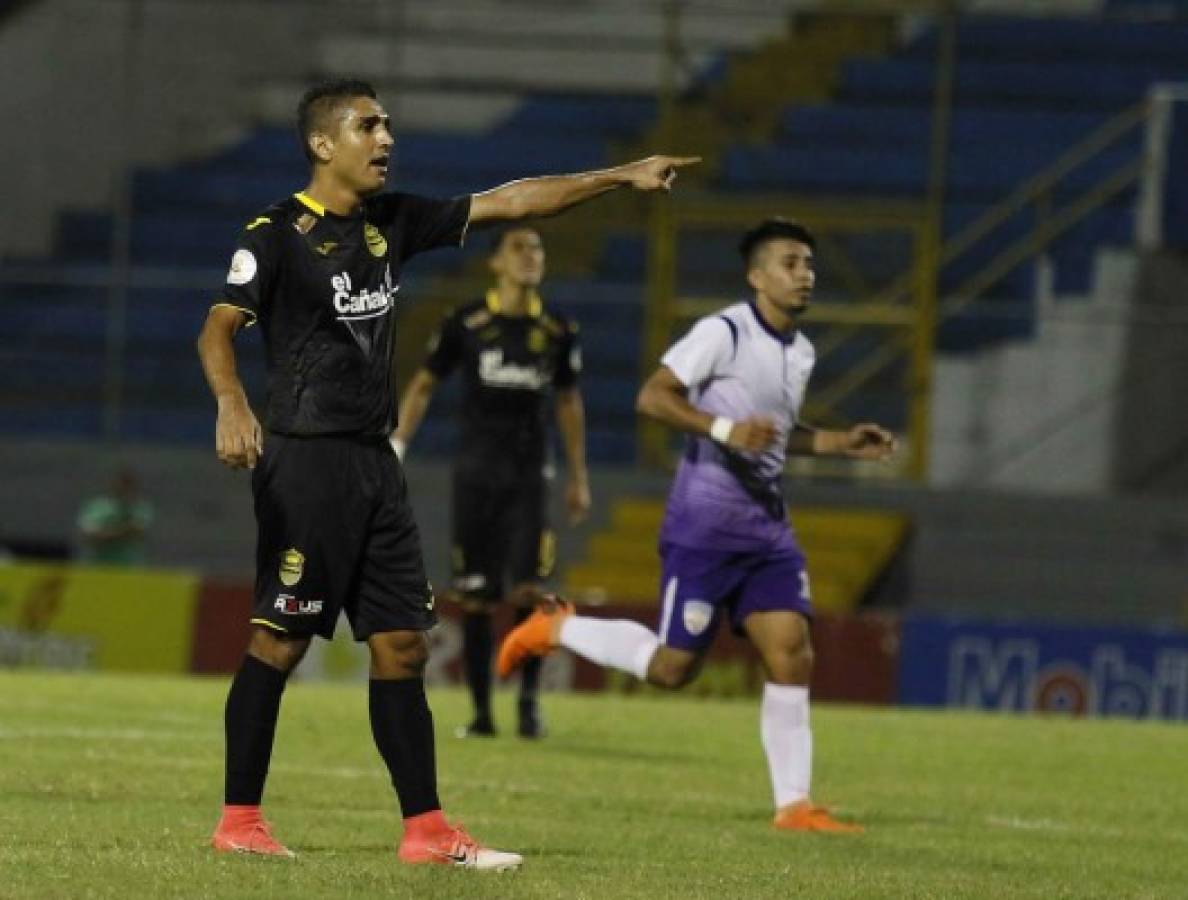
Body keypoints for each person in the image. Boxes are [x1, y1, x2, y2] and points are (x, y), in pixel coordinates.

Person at [195, 77, 696, 869]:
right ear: (324, 144)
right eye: (369, 125)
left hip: (373, 463)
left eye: (389, 123)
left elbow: (513, 202)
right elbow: (217, 330)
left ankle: (425, 832)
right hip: (306, 462)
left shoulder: (395, 221)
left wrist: (619, 175)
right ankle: (239, 819)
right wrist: (230, 404)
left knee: (404, 645)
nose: (387, 137)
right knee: (280, 640)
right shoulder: (276, 233)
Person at [498, 218, 896, 834]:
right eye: (791, 263)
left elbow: (777, 434)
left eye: (810, 264)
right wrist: (722, 430)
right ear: (757, 275)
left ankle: (793, 804)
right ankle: (560, 627)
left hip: (766, 530)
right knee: (671, 670)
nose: (805, 275)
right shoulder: (724, 332)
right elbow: (652, 397)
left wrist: (841, 441)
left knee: (792, 653)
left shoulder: (802, 351)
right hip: (704, 529)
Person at [393, 226, 588, 741]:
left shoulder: (558, 328)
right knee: (476, 597)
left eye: (538, 247)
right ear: (496, 264)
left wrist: (578, 476)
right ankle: (482, 713)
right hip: (476, 474)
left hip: (530, 476)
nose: (532, 256)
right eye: (520, 248)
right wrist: (396, 447)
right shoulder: (468, 323)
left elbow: (569, 403)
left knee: (529, 590)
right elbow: (424, 383)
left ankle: (528, 708)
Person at [76, 469, 154, 565]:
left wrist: (108, 532)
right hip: (98, 566)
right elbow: (90, 536)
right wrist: (122, 531)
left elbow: (138, 532)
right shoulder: (98, 508)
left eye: (127, 485)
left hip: (129, 568)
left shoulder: (139, 509)